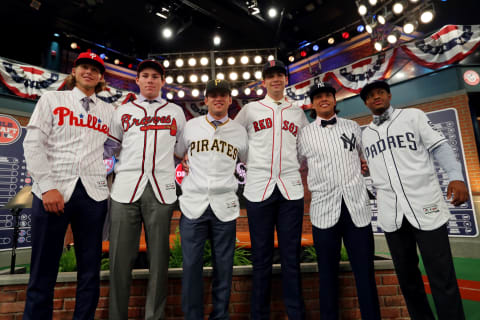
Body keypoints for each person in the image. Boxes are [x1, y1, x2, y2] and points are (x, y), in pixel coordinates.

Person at [360, 80, 468, 320]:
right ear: (366, 103)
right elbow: (371, 168)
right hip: (392, 214)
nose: (376, 97)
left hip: (425, 205)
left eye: (380, 92)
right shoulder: (365, 135)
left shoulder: (413, 116)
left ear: (388, 95)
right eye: (370, 95)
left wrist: (456, 177)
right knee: (408, 279)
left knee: (442, 276)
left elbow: (440, 147)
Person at [23, 52, 113, 319]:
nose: (89, 72)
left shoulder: (109, 111)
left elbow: (115, 146)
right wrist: (48, 185)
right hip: (54, 191)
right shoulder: (52, 99)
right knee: (43, 268)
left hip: (93, 194)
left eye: (95, 69)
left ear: (101, 77)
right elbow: (33, 144)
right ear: (74, 71)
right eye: (84, 67)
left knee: (90, 270)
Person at [105, 59, 186, 320]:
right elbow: (111, 148)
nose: (150, 80)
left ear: (163, 81)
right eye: (145, 76)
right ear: (137, 80)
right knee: (119, 262)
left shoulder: (175, 111)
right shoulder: (123, 111)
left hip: (161, 190)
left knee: (159, 261)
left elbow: (183, 150)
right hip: (125, 189)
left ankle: (155, 316)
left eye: (155, 76)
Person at [297, 82, 381, 320]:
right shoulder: (304, 134)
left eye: (327, 95)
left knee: (365, 272)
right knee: (327, 274)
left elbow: (366, 160)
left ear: (335, 100)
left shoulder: (354, 127)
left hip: (357, 209)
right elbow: (297, 165)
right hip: (324, 210)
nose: (323, 99)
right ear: (312, 104)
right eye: (318, 97)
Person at [234, 60, 308, 319]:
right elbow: (234, 139)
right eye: (270, 76)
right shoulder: (251, 109)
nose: (275, 79)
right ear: (263, 81)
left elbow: (305, 149)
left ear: (286, 80)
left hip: (290, 189)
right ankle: (259, 315)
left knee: (291, 258)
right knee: (261, 259)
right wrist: (247, 162)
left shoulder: (297, 112)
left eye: (280, 75)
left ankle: (296, 314)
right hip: (258, 188)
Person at [175, 79, 248, 319]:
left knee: (224, 269)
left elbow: (246, 161)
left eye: (223, 95)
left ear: (230, 99)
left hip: (224, 206)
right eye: (213, 95)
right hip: (193, 205)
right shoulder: (191, 126)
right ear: (205, 100)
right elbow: (177, 154)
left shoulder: (239, 130)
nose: (218, 98)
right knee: (192, 267)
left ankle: (220, 316)